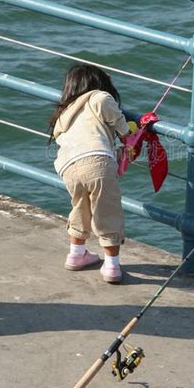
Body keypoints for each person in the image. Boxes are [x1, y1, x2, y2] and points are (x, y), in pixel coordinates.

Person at [48, 64, 134, 284]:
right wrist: (130, 131)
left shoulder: (63, 114)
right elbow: (122, 128)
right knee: (107, 211)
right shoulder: (99, 97)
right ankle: (112, 266)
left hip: (68, 166)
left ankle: (77, 254)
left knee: (80, 206)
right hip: (96, 160)